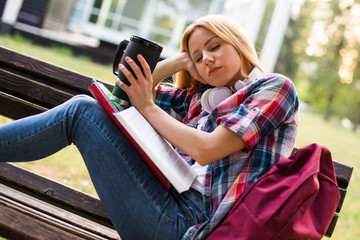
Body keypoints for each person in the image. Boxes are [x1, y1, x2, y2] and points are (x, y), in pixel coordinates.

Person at [0, 14, 299, 239]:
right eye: (199, 58)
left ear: (236, 41)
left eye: (215, 46)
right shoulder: (201, 99)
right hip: (168, 202)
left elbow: (207, 149)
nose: (207, 59)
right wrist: (182, 60)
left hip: (191, 227)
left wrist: (148, 106)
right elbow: (126, 92)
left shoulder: (274, 88)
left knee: (81, 112)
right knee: (86, 107)